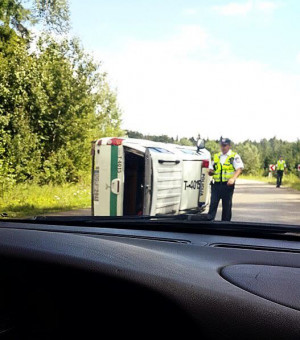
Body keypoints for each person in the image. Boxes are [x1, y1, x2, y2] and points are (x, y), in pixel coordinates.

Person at [208, 137, 244, 221]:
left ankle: (225, 225)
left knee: (226, 207)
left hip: (227, 185)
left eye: (225, 145)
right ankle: (209, 224)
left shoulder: (234, 156)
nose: (223, 147)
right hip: (216, 185)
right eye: (221, 145)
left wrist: (233, 179)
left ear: (229, 146)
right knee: (212, 205)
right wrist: (210, 172)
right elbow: (211, 169)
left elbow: (239, 169)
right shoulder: (217, 156)